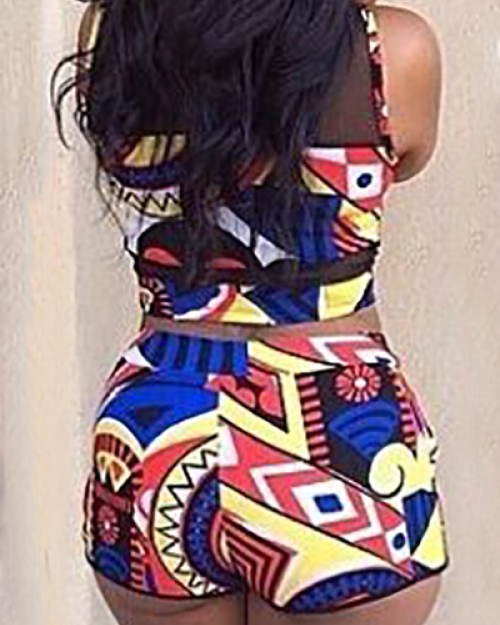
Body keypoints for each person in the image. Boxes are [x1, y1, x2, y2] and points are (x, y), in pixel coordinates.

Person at [51, 0, 450, 623]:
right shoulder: (395, 50)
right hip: (338, 433)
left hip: (159, 430)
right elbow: (411, 155)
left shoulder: (115, 29)